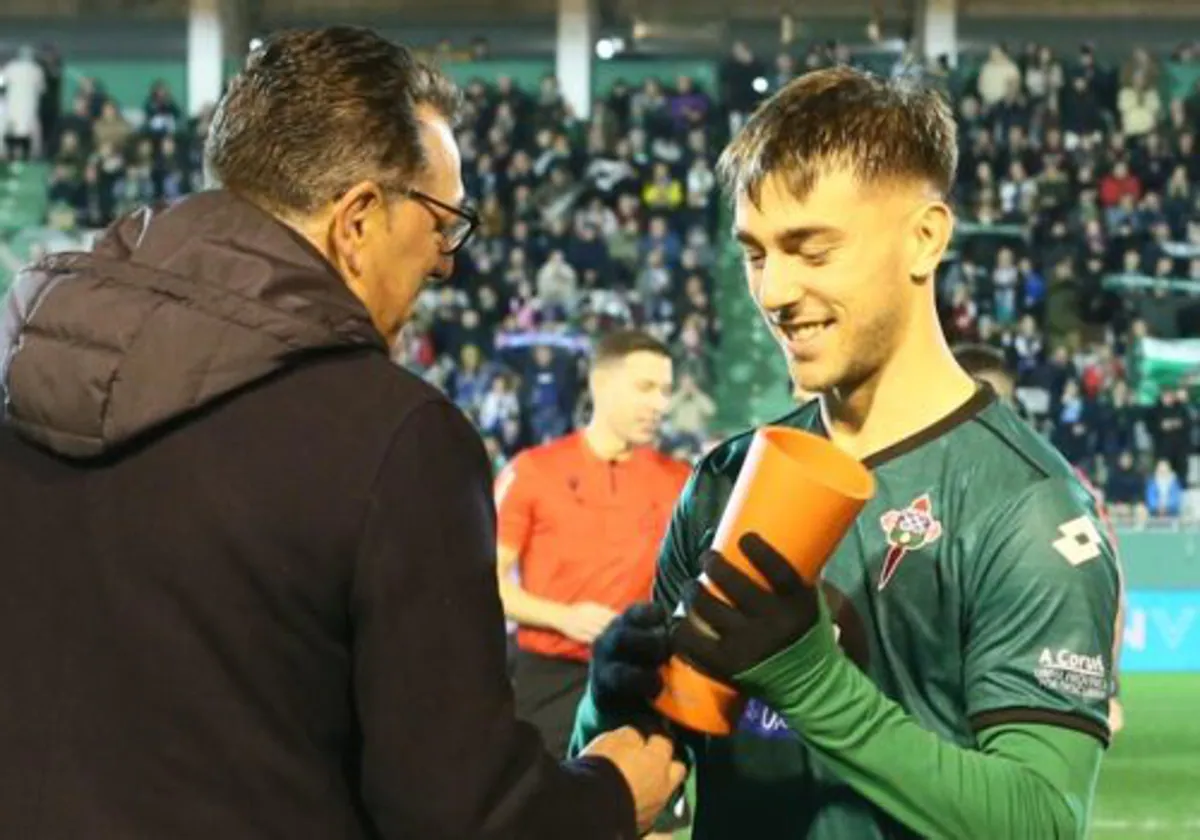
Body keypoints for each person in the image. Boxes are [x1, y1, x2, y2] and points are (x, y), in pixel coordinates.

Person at [0, 27, 682, 839]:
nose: (445, 262)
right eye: (441, 220)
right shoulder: (397, 438)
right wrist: (610, 793)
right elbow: (458, 812)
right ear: (357, 218)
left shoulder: (25, 372)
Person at [572, 67, 1120, 839]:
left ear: (925, 238)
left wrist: (809, 682)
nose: (773, 292)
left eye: (811, 250)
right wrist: (612, 704)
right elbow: (652, 797)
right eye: (757, 254)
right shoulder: (723, 480)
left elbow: (1041, 822)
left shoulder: (1027, 507)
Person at [496, 329, 690, 762]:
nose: (659, 404)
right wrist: (564, 618)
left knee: (648, 821)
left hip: (642, 678)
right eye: (645, 388)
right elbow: (484, 583)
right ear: (600, 384)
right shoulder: (532, 472)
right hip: (550, 678)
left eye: (665, 391)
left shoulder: (681, 481)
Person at [954, 342, 1126, 736]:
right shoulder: (908, 481)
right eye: (974, 400)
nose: (986, 415)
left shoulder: (1055, 486)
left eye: (999, 402)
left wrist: (1106, 685)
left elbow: (1103, 586)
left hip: (1010, 704)